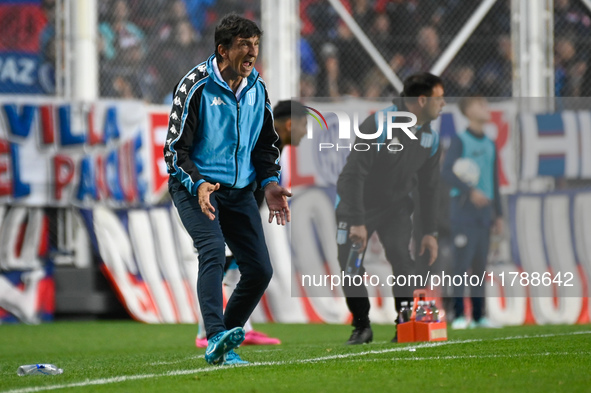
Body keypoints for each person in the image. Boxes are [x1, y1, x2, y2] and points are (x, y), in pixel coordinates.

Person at [164, 14, 291, 366]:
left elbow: (266, 146)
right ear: (222, 50)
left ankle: (224, 338)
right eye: (244, 45)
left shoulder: (258, 89)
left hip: (238, 192)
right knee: (213, 252)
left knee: (260, 270)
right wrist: (199, 182)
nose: (252, 53)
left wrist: (269, 183)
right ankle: (216, 334)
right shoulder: (195, 85)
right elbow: (174, 149)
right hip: (197, 188)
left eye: (255, 45)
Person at [335, 72, 445, 344]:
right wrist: (357, 221)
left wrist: (431, 231)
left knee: (400, 255)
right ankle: (362, 327)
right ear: (421, 100)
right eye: (439, 98)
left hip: (395, 208)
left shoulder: (431, 139)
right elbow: (352, 175)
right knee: (351, 265)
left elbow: (429, 189)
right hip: (356, 205)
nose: (443, 104)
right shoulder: (378, 124)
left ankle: (405, 324)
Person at [194, 100, 307, 348]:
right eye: (304, 125)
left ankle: (241, 327)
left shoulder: (274, 143)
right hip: (212, 201)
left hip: (233, 208)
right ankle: (206, 332)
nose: (306, 132)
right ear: (289, 124)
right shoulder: (262, 137)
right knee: (218, 262)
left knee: (237, 265)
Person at [441, 96, 503, 329]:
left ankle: (479, 316)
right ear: (467, 111)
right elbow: (446, 171)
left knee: (479, 267)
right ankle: (458, 315)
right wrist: (470, 191)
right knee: (461, 266)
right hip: (464, 213)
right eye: (480, 105)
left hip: (484, 215)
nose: (486, 108)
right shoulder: (460, 141)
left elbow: (494, 181)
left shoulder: (490, 143)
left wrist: (498, 214)